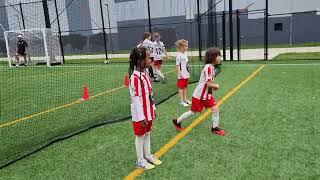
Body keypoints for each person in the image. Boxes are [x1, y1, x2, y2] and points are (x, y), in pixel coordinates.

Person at [173, 47, 225, 136]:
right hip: (200, 96)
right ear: (213, 57)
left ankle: (214, 128)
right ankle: (177, 121)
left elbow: (208, 83)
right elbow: (208, 84)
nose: (220, 58)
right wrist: (216, 86)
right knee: (193, 112)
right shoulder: (208, 67)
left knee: (215, 109)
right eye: (218, 56)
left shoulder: (211, 67)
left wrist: (213, 87)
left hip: (206, 95)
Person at [128, 47, 162, 170]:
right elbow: (136, 100)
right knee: (140, 136)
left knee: (147, 133)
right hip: (140, 115)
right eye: (148, 57)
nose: (151, 59)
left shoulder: (146, 73)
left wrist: (153, 107)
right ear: (140, 61)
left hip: (148, 111)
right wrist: (141, 117)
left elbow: (150, 93)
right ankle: (140, 160)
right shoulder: (135, 78)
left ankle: (148, 155)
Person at [175, 39, 191, 107]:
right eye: (185, 46)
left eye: (187, 46)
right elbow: (177, 65)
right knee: (181, 88)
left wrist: (188, 68)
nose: (187, 47)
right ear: (181, 47)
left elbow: (186, 63)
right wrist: (180, 74)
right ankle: (181, 101)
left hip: (186, 73)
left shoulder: (185, 54)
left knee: (185, 87)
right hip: (182, 75)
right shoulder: (179, 55)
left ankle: (185, 99)